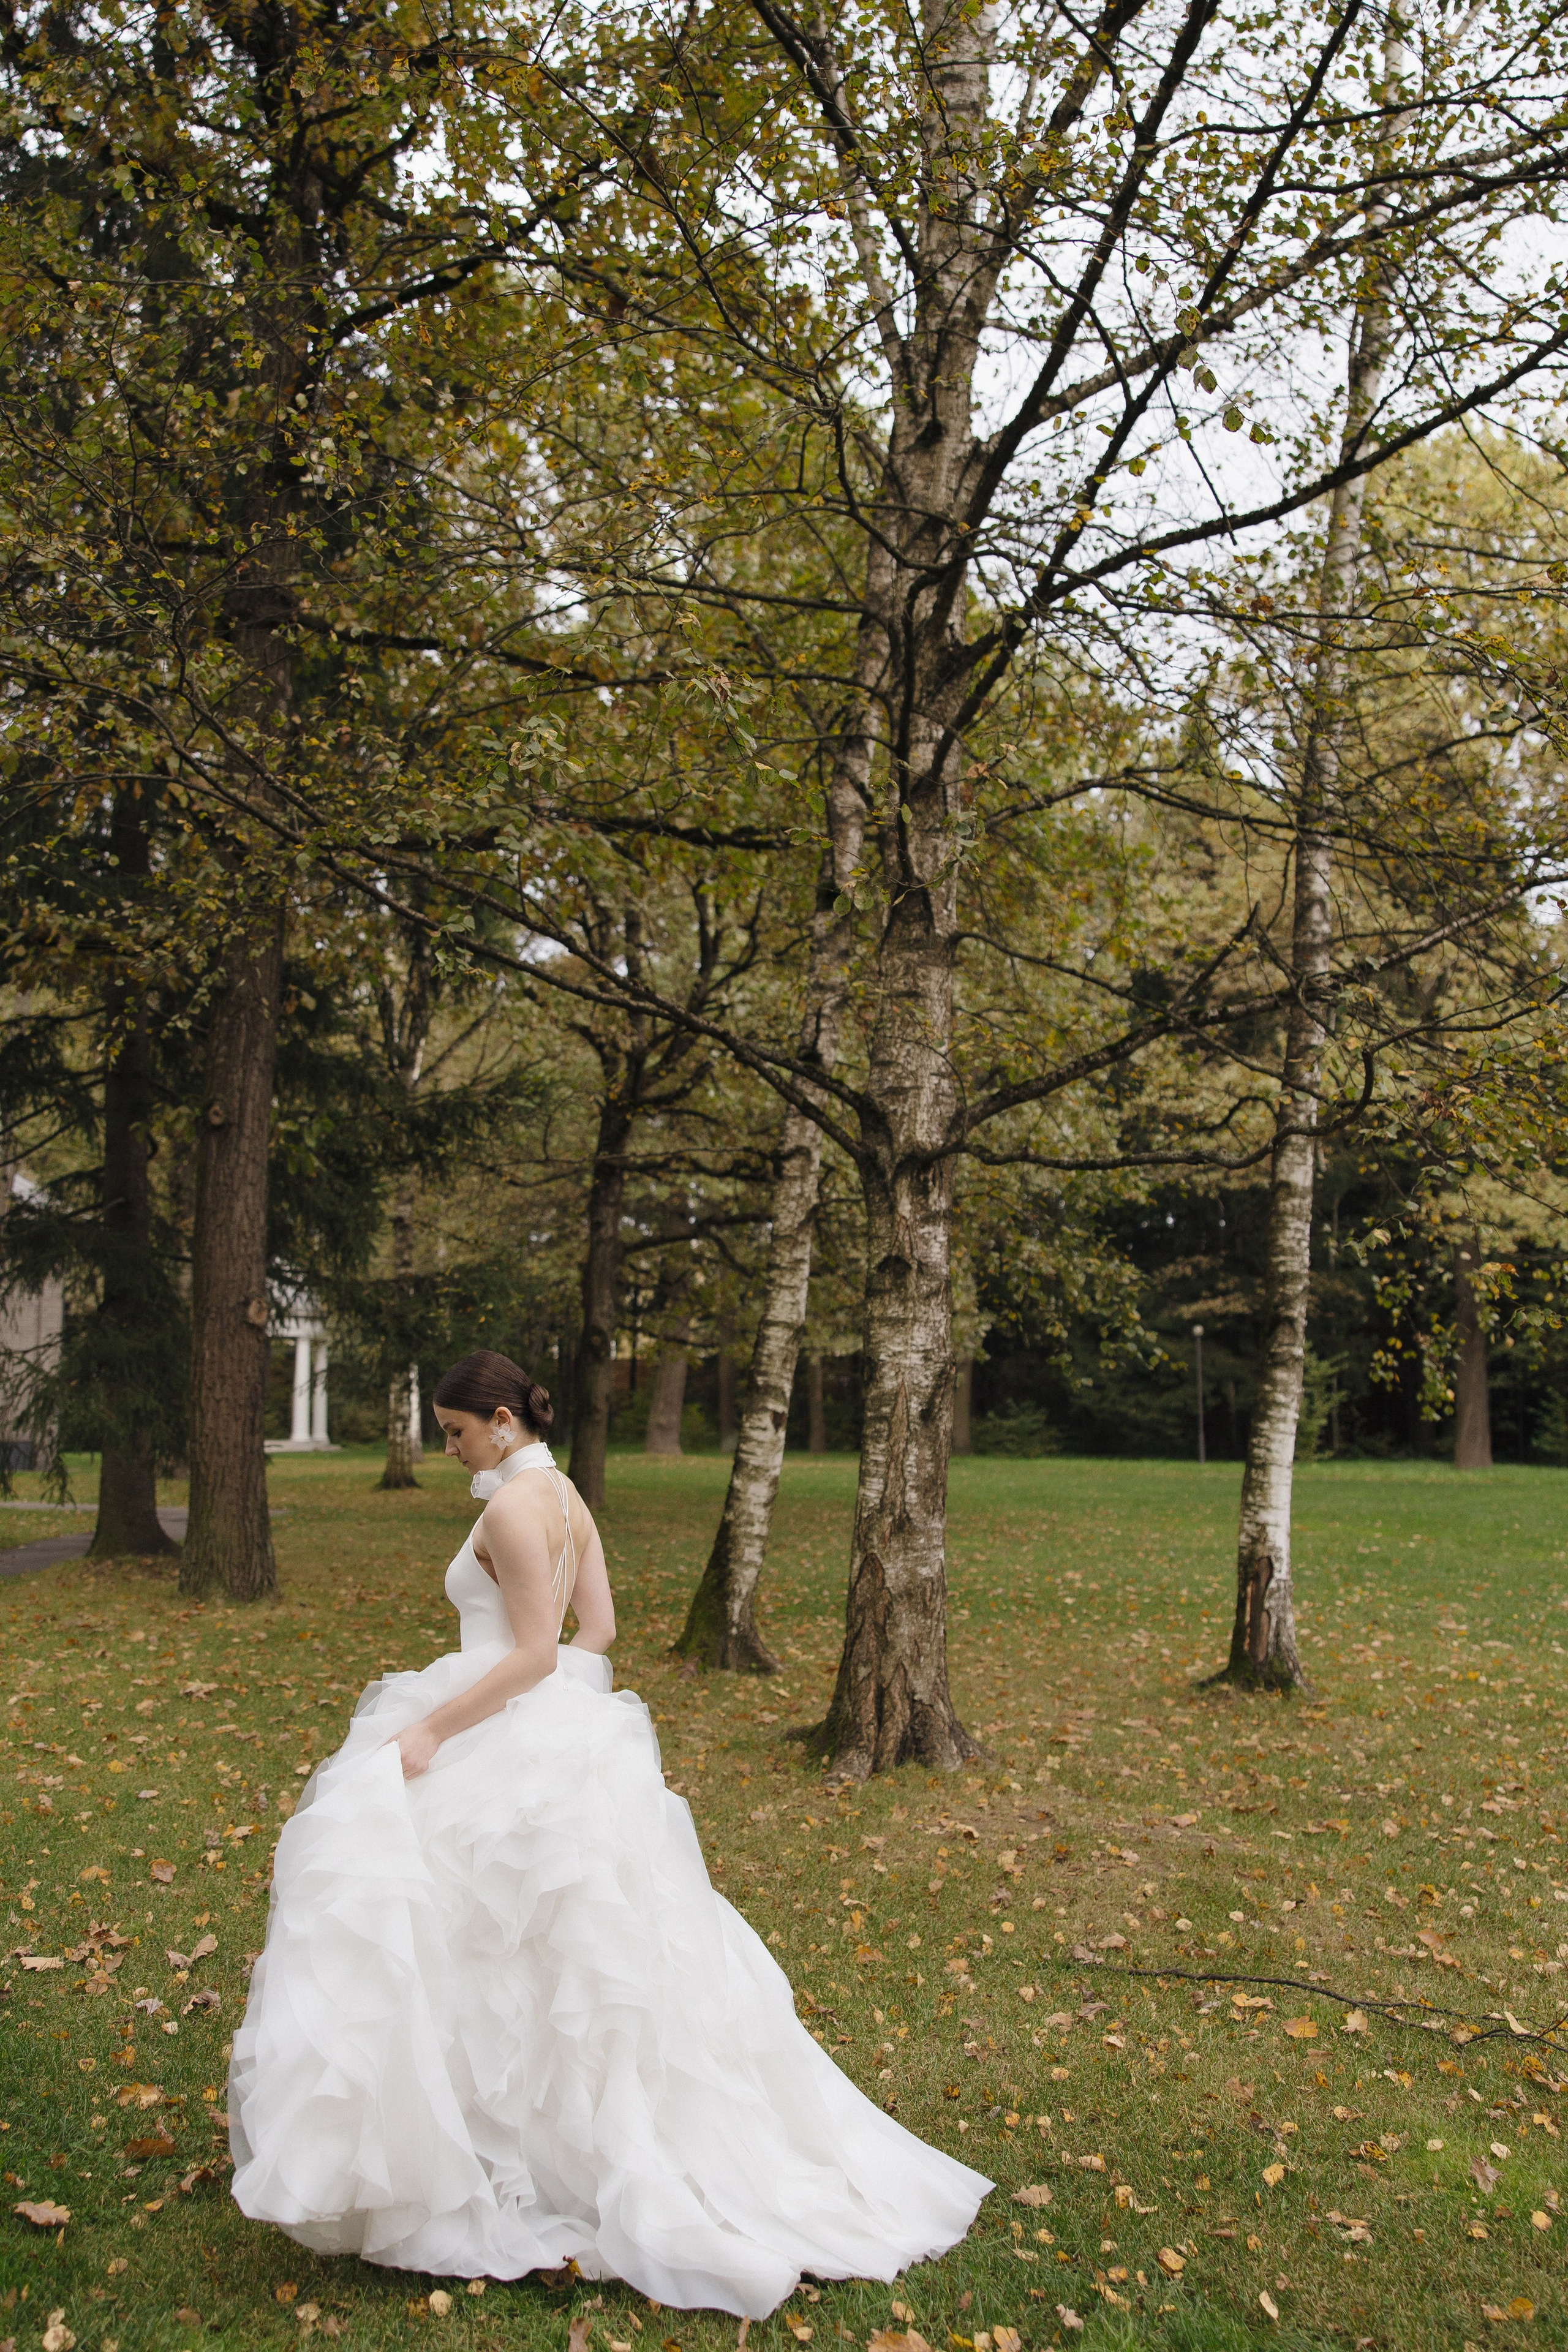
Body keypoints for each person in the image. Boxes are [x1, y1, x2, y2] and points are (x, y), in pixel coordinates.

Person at [229, 1348, 989, 2315]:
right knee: (541, 1952)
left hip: (496, 1716)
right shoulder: (569, 1498)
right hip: (547, 1735)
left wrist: (435, 1727)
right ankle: (525, 2150)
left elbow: (539, 1653)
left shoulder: (510, 1507)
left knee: (466, 1932)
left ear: (502, 1420)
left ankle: (492, 2161)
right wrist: (560, 1728)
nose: (451, 1449)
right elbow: (602, 1632)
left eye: (458, 1433)